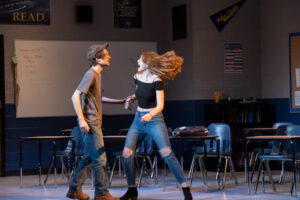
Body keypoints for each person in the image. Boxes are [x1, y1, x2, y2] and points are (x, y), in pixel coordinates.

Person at [120, 51, 193, 200]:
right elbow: (140, 91)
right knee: (127, 154)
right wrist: (132, 98)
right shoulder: (137, 77)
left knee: (167, 153)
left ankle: (186, 190)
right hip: (138, 120)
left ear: (147, 64)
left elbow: (160, 105)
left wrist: (150, 115)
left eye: (140, 61)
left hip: (154, 120)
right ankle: (132, 189)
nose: (138, 62)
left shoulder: (157, 80)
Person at [66, 43, 124, 200]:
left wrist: (119, 102)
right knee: (100, 157)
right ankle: (102, 193)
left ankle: (74, 189)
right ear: (98, 58)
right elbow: (75, 96)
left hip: (93, 121)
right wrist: (82, 120)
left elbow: (97, 98)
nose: (109, 56)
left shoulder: (98, 74)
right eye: (106, 54)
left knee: (89, 157)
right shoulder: (91, 74)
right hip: (90, 122)